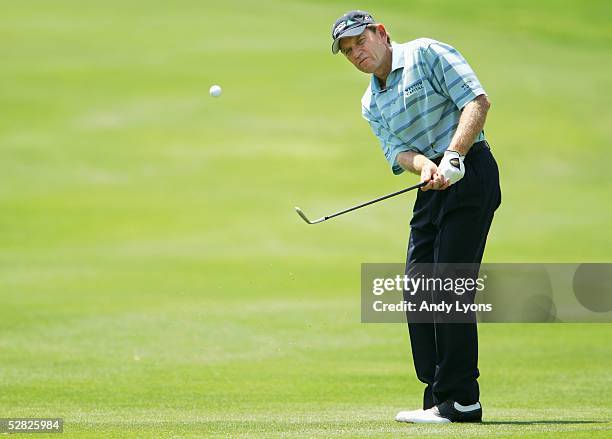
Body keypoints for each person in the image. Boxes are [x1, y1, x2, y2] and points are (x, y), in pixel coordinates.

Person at [331, 10, 501, 423]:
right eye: (348, 51)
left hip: (470, 171)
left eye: (360, 42)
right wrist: (425, 165)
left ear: (382, 34)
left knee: (447, 285)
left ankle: (461, 399)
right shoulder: (371, 101)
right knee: (417, 288)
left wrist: (454, 156)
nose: (356, 54)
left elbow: (476, 101)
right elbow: (397, 151)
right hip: (431, 185)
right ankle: (437, 395)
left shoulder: (426, 54)